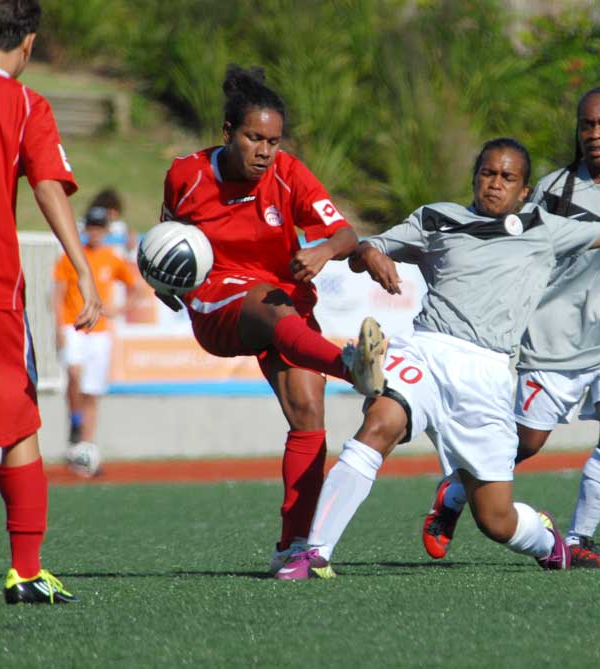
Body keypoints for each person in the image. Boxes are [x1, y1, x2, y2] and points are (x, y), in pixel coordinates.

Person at [274, 137, 600, 579]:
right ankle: (315, 553)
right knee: (380, 422)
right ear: (475, 177)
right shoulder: (438, 218)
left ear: (524, 190)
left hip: (487, 374)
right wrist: (371, 254)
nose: (495, 183)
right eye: (487, 173)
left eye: (507, 177)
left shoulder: (544, 229)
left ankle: (546, 541)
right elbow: (364, 250)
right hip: (428, 351)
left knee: (495, 520)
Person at [421, 86, 600, 568]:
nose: (594, 134)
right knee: (526, 443)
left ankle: (580, 537)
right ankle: (454, 493)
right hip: (553, 336)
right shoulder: (552, 189)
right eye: (586, 125)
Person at [159, 64, 386, 572]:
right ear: (227, 133)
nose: (265, 150)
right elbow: (166, 241)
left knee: (308, 411)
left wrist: (323, 250)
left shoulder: (288, 173)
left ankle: (294, 546)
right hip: (219, 302)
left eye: (273, 141)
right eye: (254, 138)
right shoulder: (186, 175)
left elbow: (345, 234)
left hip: (284, 303)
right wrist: (164, 282)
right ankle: (350, 366)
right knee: (267, 300)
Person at [0, 0, 102, 604]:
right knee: (19, 422)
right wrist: (83, 269)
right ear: (29, 43)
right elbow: (47, 187)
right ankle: (26, 571)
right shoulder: (24, 104)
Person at [54, 204, 138, 476]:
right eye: (92, 226)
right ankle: (75, 420)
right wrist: (58, 329)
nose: (95, 232)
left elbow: (134, 286)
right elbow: (57, 294)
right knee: (74, 373)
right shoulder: (70, 257)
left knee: (92, 391)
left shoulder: (112, 258)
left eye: (99, 227)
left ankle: (85, 449)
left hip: (99, 331)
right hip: (74, 326)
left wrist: (119, 310)